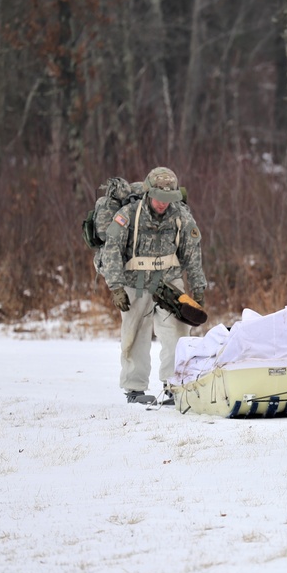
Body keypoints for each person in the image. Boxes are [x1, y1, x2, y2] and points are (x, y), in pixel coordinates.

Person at [100, 166, 206, 404]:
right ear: (149, 193)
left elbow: (193, 254)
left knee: (178, 333)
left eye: (168, 199)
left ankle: (174, 385)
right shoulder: (128, 215)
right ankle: (134, 388)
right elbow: (112, 250)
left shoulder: (181, 216)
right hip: (134, 280)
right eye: (159, 198)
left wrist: (198, 290)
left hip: (170, 281)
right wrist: (116, 287)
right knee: (135, 332)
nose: (163, 204)